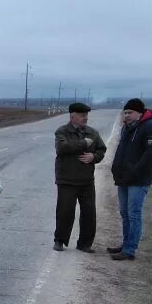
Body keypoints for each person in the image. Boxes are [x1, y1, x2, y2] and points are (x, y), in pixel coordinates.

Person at [109, 98, 152, 260]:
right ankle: (125, 244)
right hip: (123, 177)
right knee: (124, 213)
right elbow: (120, 150)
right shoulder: (127, 128)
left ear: (140, 112)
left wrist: (135, 170)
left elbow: (151, 153)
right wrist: (115, 168)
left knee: (134, 214)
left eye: (130, 112)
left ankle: (130, 249)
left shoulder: (151, 126)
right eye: (125, 112)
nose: (127, 115)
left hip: (138, 180)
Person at [53, 101, 107, 252]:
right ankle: (59, 241)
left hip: (86, 181)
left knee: (89, 214)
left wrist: (94, 157)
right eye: (82, 115)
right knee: (65, 212)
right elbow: (62, 148)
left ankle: (85, 244)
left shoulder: (93, 132)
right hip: (67, 180)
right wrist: (84, 143)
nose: (86, 118)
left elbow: (102, 150)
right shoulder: (62, 131)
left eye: (86, 115)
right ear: (72, 116)